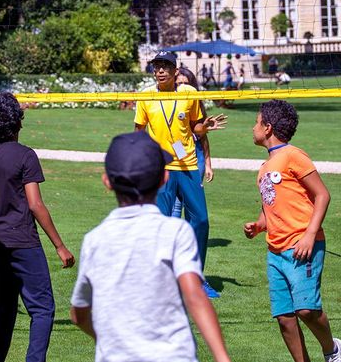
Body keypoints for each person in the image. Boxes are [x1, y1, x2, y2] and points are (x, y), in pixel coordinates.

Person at [70, 133, 232, 362]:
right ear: (165, 178)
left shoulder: (94, 241)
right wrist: (222, 357)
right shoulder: (176, 232)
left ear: (107, 181)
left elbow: (78, 314)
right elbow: (195, 295)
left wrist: (106, 340)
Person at [243, 100, 341, 362]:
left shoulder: (293, 156)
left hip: (301, 246)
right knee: (285, 318)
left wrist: (310, 235)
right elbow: (271, 206)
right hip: (275, 252)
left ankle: (332, 350)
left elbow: (322, 195)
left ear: (267, 127)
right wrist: (259, 225)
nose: (253, 127)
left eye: (256, 122)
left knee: (306, 310)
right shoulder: (265, 167)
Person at [0, 92, 76, 362]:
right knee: (42, 309)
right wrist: (60, 246)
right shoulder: (26, 155)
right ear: (18, 122)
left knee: (3, 310)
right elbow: (35, 204)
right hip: (23, 241)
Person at [134, 51, 225, 298]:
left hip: (187, 166)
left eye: (165, 66)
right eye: (157, 67)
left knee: (201, 220)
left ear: (176, 71)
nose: (160, 71)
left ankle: (196, 277)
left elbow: (196, 126)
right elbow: (138, 132)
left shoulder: (189, 93)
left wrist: (204, 128)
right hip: (160, 169)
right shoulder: (146, 95)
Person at [169, 67, 221, 219]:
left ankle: (191, 232)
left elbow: (203, 137)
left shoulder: (194, 102)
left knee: (192, 201)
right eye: (180, 83)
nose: (183, 87)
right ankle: (174, 232)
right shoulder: (169, 104)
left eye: (186, 83)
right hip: (178, 149)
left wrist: (208, 164)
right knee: (177, 200)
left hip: (197, 153)